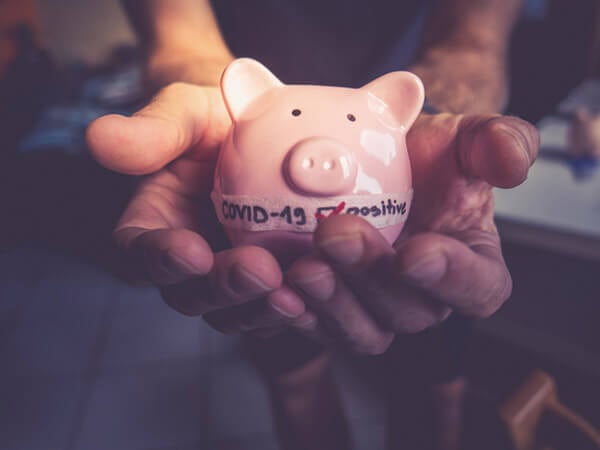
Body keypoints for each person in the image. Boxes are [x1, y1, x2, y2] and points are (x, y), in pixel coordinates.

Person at [86, 1, 540, 449]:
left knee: (434, 382)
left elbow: (473, 39)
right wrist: (192, 70)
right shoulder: (245, 107)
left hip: (423, 160)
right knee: (296, 385)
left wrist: (453, 91)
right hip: (240, 84)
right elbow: (176, 27)